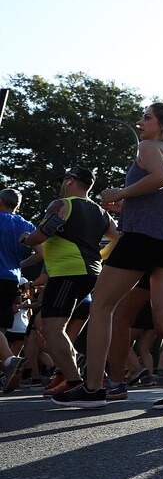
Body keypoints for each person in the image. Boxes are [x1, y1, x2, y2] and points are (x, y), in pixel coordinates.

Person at [54, 104, 163, 410]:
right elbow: (161, 195)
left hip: (143, 238)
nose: (140, 122)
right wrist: (128, 204)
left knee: (102, 306)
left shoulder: (149, 146)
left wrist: (119, 194)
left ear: (161, 125)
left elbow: (159, 179)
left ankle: (94, 387)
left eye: (146, 117)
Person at [16, 169, 118, 396]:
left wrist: (26, 239)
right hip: (89, 273)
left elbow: (43, 233)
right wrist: (99, 256)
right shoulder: (102, 212)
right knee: (47, 325)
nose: (62, 185)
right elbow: (117, 239)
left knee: (52, 329)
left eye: (64, 181)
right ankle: (68, 370)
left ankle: (74, 380)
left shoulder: (61, 204)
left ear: (70, 181)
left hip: (66, 272)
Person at [0, 188, 35, 392]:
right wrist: (19, 264)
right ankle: (8, 366)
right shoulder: (25, 224)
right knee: (1, 329)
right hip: (11, 278)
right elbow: (41, 251)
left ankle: (9, 361)